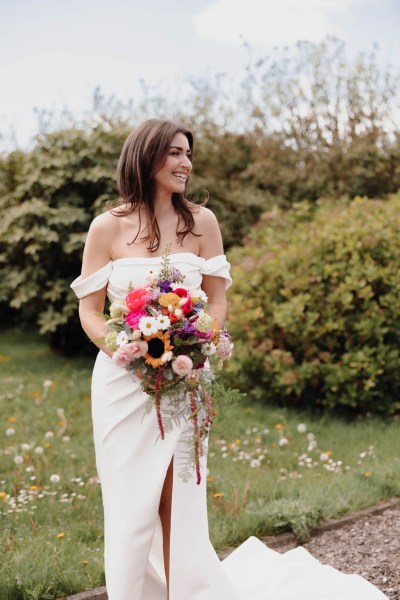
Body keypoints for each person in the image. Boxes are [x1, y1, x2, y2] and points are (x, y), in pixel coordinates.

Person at [71, 118, 388, 600]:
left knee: (178, 499)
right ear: (147, 156)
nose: (186, 163)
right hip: (122, 385)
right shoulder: (107, 227)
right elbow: (89, 310)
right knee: (131, 503)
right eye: (175, 153)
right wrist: (121, 347)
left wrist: (199, 338)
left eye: (188, 154)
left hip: (185, 381)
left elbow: (216, 301)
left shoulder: (202, 223)